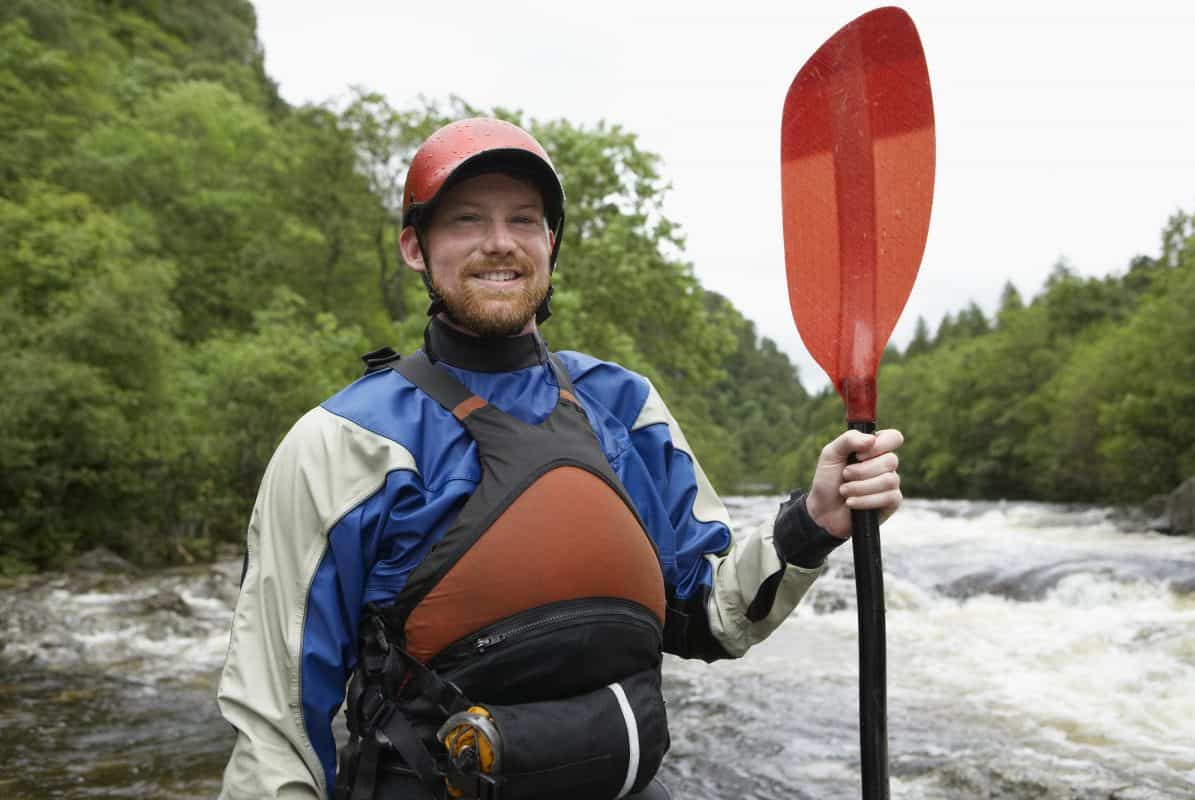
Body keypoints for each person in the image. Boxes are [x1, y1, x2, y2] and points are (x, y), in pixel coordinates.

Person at [216, 117, 903, 800]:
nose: (499, 244)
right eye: (465, 221)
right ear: (415, 248)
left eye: (524, 220)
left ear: (550, 242)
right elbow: (275, 728)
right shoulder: (343, 441)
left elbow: (714, 616)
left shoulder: (625, 408)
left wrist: (813, 521)